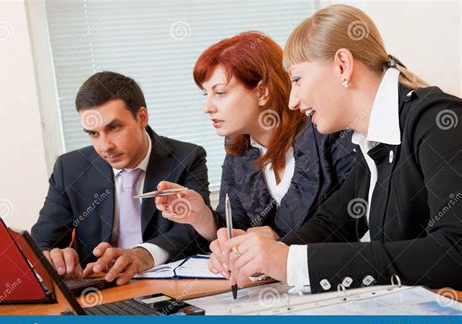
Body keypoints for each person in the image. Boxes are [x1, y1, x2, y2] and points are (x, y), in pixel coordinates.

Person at [213, 4, 462, 293]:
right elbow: (333, 223)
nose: (292, 101)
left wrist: (291, 261)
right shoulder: (369, 141)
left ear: (342, 65)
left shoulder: (438, 123)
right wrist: (262, 256)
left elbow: (454, 252)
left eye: (297, 79)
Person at [155, 31, 356, 277]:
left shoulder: (328, 131)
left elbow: (353, 224)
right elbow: (237, 227)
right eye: (205, 94)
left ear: (262, 92)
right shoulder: (239, 150)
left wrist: (278, 239)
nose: (207, 107)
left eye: (220, 93)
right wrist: (202, 217)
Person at [32, 71, 210, 285]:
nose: (105, 146)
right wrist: (54, 257)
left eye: (114, 128)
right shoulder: (69, 168)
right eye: (93, 134)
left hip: (167, 287)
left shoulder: (187, 158)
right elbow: (43, 240)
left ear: (142, 117)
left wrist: (144, 254)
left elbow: (196, 230)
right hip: (101, 287)